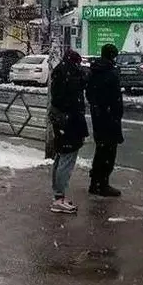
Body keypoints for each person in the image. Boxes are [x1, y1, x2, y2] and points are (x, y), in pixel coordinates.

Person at [48, 49, 89, 214]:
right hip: (69, 123)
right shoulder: (70, 75)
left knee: (61, 157)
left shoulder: (61, 72)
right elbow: (74, 98)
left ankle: (58, 196)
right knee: (66, 159)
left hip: (63, 122)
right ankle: (59, 197)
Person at [85, 43, 124, 197]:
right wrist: (115, 112)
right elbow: (116, 98)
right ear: (113, 56)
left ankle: (95, 181)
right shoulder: (111, 73)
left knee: (101, 149)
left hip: (98, 116)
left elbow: (89, 93)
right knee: (108, 152)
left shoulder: (94, 71)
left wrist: (97, 106)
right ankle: (103, 183)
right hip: (110, 117)